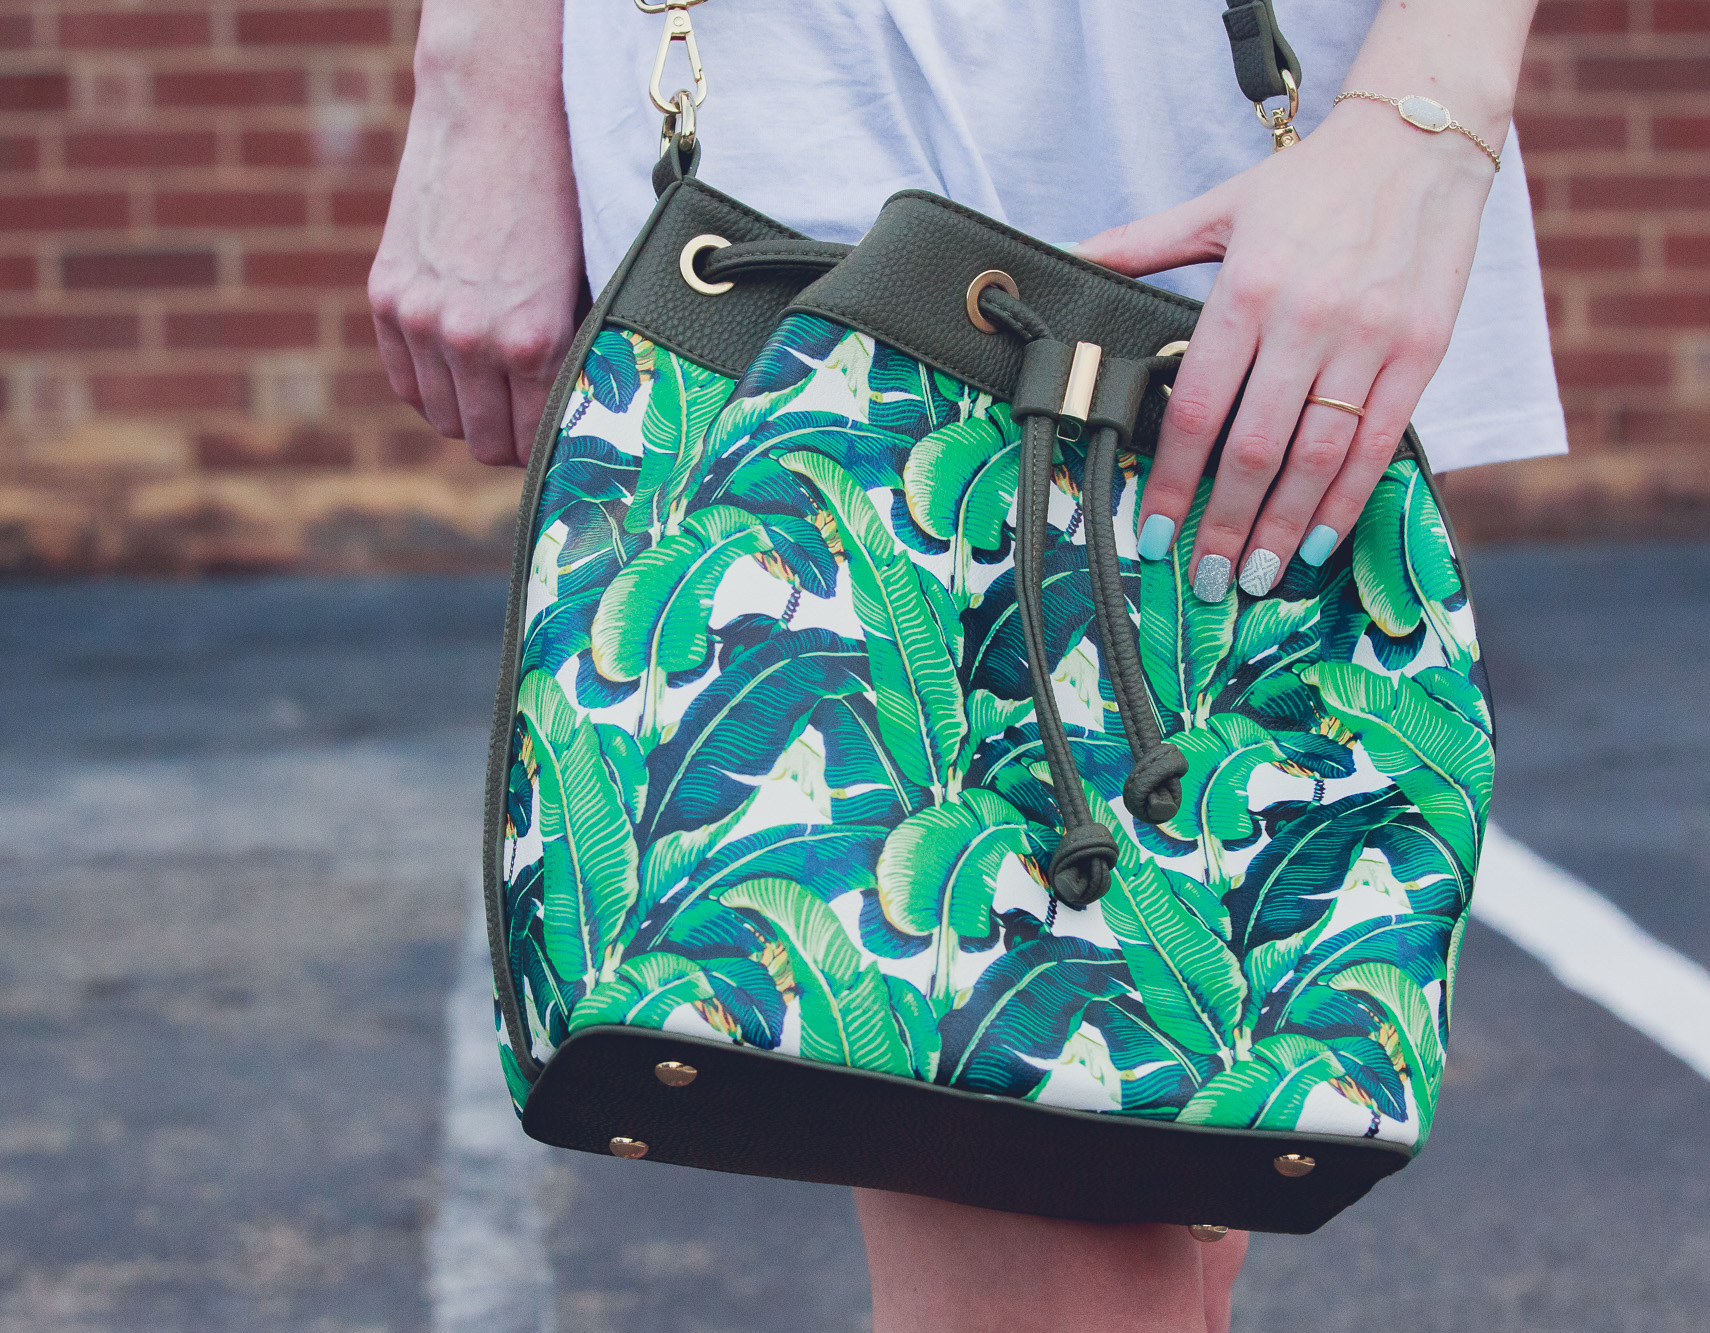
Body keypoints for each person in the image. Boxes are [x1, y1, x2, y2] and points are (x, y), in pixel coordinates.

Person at [371, 2, 1555, 1328]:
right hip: (834, 66)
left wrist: (1422, 121)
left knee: (1170, 1161)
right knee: (1070, 1230)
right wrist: (473, 61)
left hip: (1245, 111)